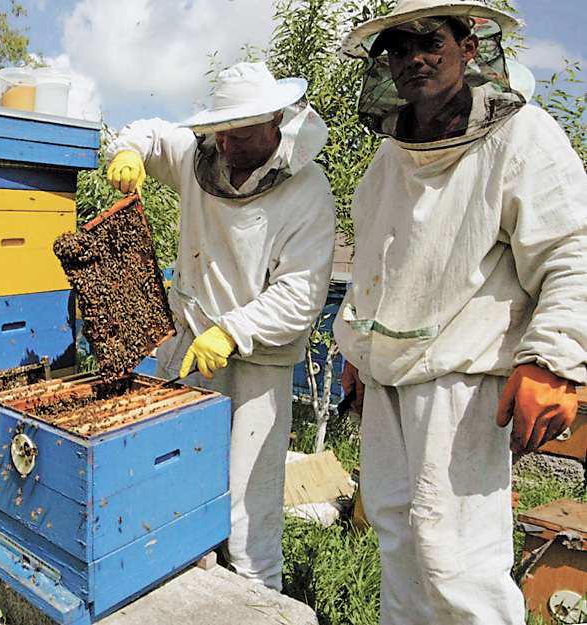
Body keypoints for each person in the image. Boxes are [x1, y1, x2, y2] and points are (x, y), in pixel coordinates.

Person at [333, 1, 587, 623]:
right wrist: (357, 352)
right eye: (397, 48)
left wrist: (555, 359)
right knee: (398, 544)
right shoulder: (389, 156)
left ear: (470, 48)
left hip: (464, 380)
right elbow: (378, 260)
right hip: (389, 380)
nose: (413, 59)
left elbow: (571, 247)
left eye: (430, 43)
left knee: (458, 564)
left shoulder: (523, 136)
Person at [105, 62, 336, 591]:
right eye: (221, 132)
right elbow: (150, 132)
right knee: (175, 478)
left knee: (248, 509)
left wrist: (232, 331)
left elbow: (300, 295)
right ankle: (186, 589)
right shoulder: (198, 158)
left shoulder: (307, 192)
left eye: (243, 133)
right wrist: (127, 152)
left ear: (277, 120)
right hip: (189, 348)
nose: (228, 145)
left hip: (257, 364)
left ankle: (258, 600)